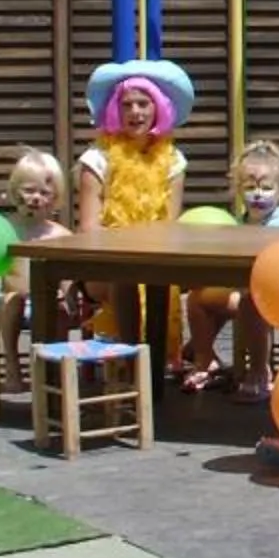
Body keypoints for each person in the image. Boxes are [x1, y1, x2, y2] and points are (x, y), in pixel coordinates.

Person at [176, 139, 279, 398]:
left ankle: (259, 372)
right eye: (250, 187)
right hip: (250, 292)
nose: (258, 194)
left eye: (266, 187)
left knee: (252, 302)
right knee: (198, 299)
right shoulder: (239, 223)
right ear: (238, 189)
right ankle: (205, 359)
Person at [74, 59, 192, 344]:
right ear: (115, 110)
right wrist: (126, 251)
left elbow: (169, 227)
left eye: (143, 103)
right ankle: (133, 364)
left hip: (154, 261)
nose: (135, 112)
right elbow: (89, 229)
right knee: (125, 279)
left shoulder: (173, 160)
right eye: (126, 105)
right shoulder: (96, 159)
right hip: (103, 265)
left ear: (158, 108)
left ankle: (168, 360)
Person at [0, 147, 84, 357]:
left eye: (44, 193)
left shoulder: (60, 234)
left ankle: (56, 363)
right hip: (10, 303)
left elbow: (68, 273)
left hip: (48, 302)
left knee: (60, 310)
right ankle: (12, 363)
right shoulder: (4, 230)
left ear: (55, 198)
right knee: (13, 300)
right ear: (15, 191)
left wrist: (69, 295)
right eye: (29, 190)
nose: (36, 198)